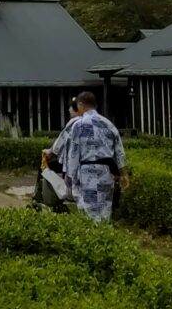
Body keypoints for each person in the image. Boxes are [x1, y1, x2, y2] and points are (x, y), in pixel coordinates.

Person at [45, 91, 128, 223]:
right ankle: (106, 236)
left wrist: (70, 178)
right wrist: (124, 174)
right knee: (105, 210)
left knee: (89, 212)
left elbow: (74, 154)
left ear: (81, 105)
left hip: (88, 172)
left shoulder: (79, 124)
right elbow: (119, 152)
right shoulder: (109, 124)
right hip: (107, 173)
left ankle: (95, 238)